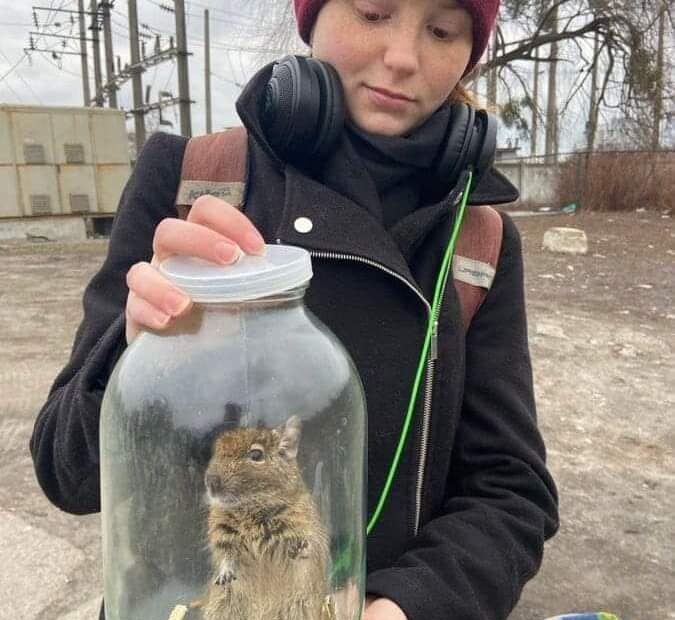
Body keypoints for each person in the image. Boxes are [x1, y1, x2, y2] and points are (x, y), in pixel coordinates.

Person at [30, 0, 559, 618]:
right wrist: (139, 344)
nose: (402, 58)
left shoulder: (478, 242)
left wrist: (409, 605)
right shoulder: (187, 180)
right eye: (373, 12)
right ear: (310, 19)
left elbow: (511, 492)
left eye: (442, 30)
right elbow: (66, 472)